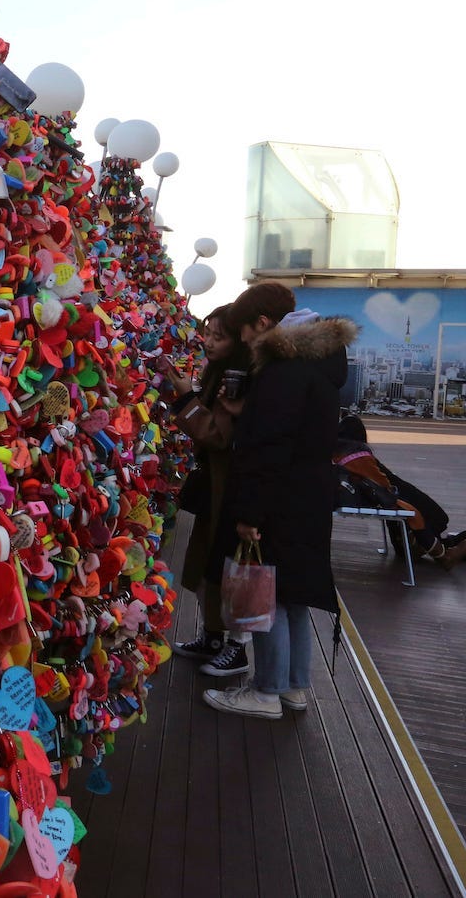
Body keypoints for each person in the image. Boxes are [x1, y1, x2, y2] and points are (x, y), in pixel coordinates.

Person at [203, 282, 358, 719]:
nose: (246, 343)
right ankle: (294, 687)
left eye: (247, 333)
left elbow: (268, 445)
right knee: (293, 594)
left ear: (264, 325)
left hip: (277, 500)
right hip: (308, 497)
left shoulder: (281, 368)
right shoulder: (319, 363)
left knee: (264, 594)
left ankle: (266, 690)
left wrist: (250, 512)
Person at [162, 306, 253, 678]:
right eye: (208, 333)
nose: (209, 342)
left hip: (230, 488)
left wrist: (186, 400)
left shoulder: (240, 379)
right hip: (213, 486)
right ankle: (213, 636)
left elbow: (218, 436)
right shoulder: (217, 372)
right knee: (206, 563)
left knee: (230, 566)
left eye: (220, 336)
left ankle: (237, 646)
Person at [333, 414, 463, 565]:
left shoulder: (337, 454)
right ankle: (445, 553)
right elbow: (384, 483)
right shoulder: (357, 454)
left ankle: (446, 548)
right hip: (390, 501)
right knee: (426, 514)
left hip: (373, 499)